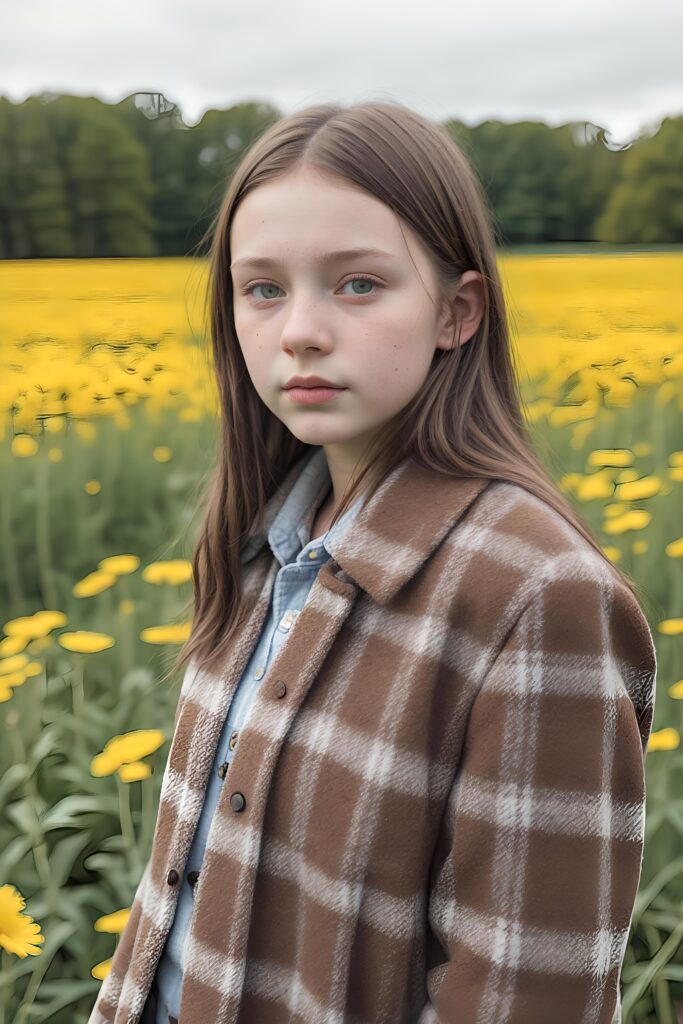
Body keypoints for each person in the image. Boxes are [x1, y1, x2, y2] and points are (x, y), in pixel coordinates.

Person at [88, 100, 657, 1024]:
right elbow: (176, 906)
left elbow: (526, 996)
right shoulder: (261, 549)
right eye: (262, 289)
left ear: (456, 312)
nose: (299, 331)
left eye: (357, 285)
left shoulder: (539, 597)